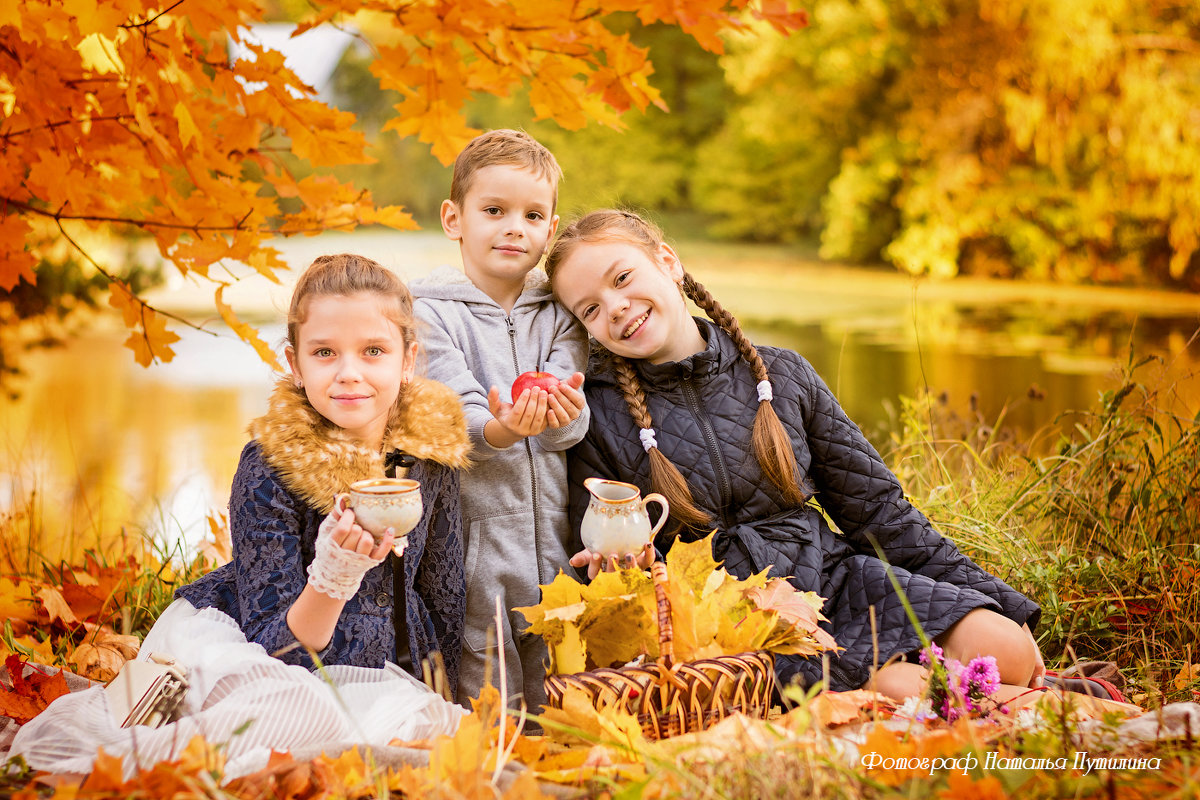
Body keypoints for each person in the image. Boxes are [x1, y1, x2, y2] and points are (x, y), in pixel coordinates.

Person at [544, 209, 1044, 702]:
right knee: (905, 692)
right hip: (736, 617)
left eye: (623, 277)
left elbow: (879, 511)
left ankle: (991, 693)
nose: (614, 307)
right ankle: (1012, 707)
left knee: (1008, 649)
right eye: (589, 308)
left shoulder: (781, 375)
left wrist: (1005, 605)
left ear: (668, 262)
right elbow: (602, 544)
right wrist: (616, 569)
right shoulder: (599, 414)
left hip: (831, 578)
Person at [10, 254, 472, 778]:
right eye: (324, 352)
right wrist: (335, 575)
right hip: (267, 646)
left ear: (408, 360)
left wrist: (441, 687)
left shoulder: (429, 459)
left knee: (430, 730)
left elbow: (443, 592)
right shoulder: (272, 465)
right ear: (295, 364)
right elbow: (273, 647)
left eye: (373, 351)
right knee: (297, 715)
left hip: (395, 655)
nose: (349, 373)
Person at [410, 129, 590, 710]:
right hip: (475, 533)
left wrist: (558, 414)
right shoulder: (430, 316)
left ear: (551, 230)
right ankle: (486, 758)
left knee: (560, 653)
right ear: (453, 218)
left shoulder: (561, 315)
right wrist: (503, 429)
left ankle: (555, 755)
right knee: (485, 660)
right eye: (494, 210)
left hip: (556, 532)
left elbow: (571, 418)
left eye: (533, 215)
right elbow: (454, 418)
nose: (515, 227)